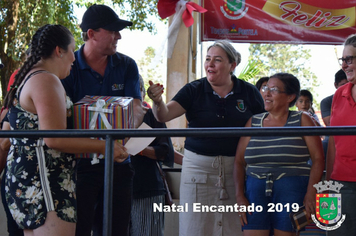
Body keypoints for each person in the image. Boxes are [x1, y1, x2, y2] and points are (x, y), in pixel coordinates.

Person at [2, 24, 128, 236]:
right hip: (46, 185)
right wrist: (107, 146)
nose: (73, 58)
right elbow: (54, 138)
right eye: (72, 50)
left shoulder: (28, 77)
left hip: (30, 181)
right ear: (59, 51)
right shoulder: (45, 79)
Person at [147, 40, 265, 236]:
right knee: (196, 227)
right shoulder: (193, 89)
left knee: (234, 227)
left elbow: (263, 126)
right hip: (197, 168)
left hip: (238, 170)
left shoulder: (248, 91)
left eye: (217, 60)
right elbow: (163, 115)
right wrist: (158, 101)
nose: (210, 64)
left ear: (232, 66)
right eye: (208, 59)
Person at [61, 4, 144, 236]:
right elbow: (61, 117)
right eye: (112, 30)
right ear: (91, 34)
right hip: (79, 165)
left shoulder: (127, 65)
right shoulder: (69, 67)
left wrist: (125, 130)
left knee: (117, 229)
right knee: (79, 227)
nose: (119, 36)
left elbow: (136, 107)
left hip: (119, 163)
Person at [234, 73, 324, 236]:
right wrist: (240, 196)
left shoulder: (302, 120)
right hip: (255, 191)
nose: (266, 93)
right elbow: (239, 161)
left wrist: (311, 193)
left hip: (292, 189)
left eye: (273, 90)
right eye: (266, 88)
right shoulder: (253, 121)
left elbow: (318, 159)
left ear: (290, 97)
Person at [130, 75, 174, 236]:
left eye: (134, 92)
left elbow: (165, 151)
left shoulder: (151, 115)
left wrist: (137, 148)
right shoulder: (111, 116)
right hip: (116, 188)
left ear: (142, 93)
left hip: (147, 188)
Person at [326, 34, 356, 235]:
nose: (344, 65)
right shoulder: (339, 94)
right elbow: (332, 143)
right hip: (340, 184)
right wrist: (327, 185)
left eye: (350, 59)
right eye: (343, 60)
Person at [319, 69, 348, 162]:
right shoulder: (327, 101)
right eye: (343, 85)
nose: (347, 88)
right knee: (324, 145)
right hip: (334, 135)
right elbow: (329, 124)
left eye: (350, 84)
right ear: (336, 85)